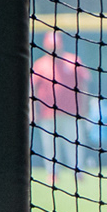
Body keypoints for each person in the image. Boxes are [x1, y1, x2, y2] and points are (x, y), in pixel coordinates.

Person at [30, 31, 90, 183]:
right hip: (48, 114)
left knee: (74, 145)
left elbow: (83, 86)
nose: (54, 49)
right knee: (50, 147)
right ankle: (52, 174)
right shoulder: (40, 65)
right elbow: (33, 90)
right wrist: (33, 111)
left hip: (72, 113)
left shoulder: (73, 60)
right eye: (51, 46)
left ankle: (78, 172)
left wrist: (84, 107)